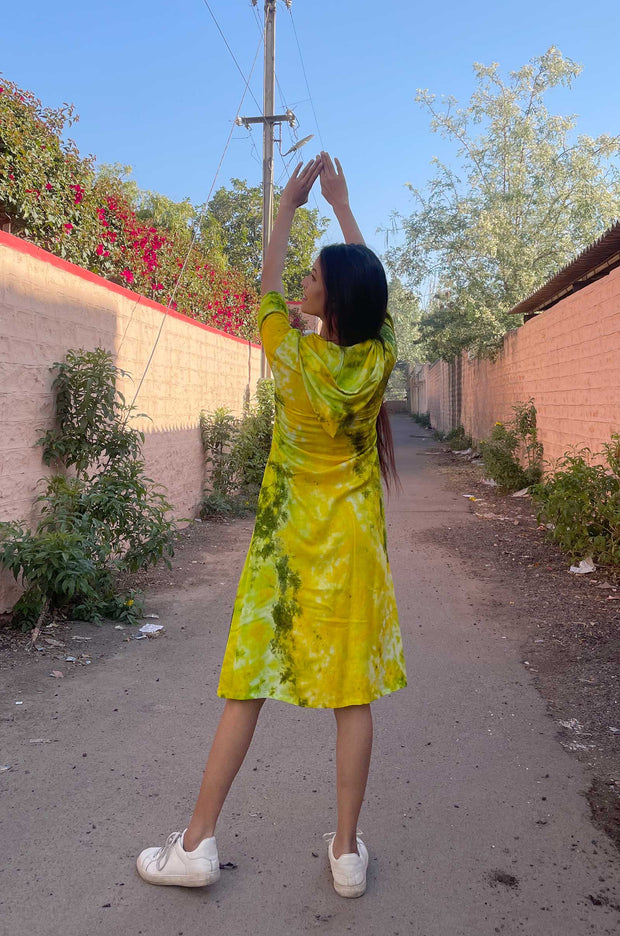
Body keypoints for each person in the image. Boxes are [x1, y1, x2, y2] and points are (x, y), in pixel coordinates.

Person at [137, 152, 407, 898]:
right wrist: (344, 207)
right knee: (352, 696)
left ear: (332, 299)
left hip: (286, 552)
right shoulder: (377, 360)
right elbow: (383, 305)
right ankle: (346, 854)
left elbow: (262, 285)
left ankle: (195, 845)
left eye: (315, 277)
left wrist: (288, 210)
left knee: (247, 684)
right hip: (352, 547)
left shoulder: (288, 353)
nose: (302, 282)